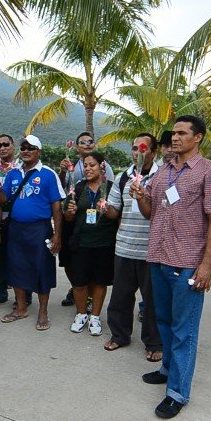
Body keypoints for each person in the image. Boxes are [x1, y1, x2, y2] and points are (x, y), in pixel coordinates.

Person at [132, 115, 211, 419]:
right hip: (158, 258)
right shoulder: (162, 172)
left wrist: (207, 265)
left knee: (183, 330)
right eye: (173, 133)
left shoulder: (210, 173)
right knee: (162, 320)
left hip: (188, 263)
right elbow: (151, 213)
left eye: (182, 133)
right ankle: (166, 369)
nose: (175, 138)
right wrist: (140, 198)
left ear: (198, 137)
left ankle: (178, 392)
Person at [99, 133, 163, 362]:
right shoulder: (122, 178)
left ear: (154, 153)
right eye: (135, 148)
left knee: (153, 300)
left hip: (152, 249)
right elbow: (115, 209)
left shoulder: (163, 177)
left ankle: (154, 342)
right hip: (125, 246)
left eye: (143, 148)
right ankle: (119, 335)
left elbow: (164, 211)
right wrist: (106, 209)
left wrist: (144, 197)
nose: (138, 152)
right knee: (121, 297)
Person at [0, 135, 64, 330]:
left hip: (40, 229)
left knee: (42, 268)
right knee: (16, 267)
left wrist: (57, 234)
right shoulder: (12, 174)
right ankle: (21, 308)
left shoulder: (48, 174)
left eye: (30, 147)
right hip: (17, 228)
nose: (25, 151)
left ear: (38, 151)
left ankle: (43, 311)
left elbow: (56, 206)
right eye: (23, 147)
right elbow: (2, 201)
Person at [58, 132, 115, 308]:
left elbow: (111, 197)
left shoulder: (107, 170)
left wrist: (106, 208)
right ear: (76, 147)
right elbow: (63, 188)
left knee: (98, 272)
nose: (87, 144)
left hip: (100, 229)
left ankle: (90, 299)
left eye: (90, 141)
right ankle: (77, 291)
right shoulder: (70, 166)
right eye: (83, 142)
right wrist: (62, 171)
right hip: (76, 222)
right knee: (70, 260)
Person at [64, 151, 117, 336]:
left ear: (102, 167)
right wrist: (70, 211)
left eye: (92, 165)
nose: (87, 169)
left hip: (104, 242)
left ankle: (95, 316)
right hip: (82, 242)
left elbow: (115, 215)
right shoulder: (78, 188)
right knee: (79, 283)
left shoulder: (111, 188)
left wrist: (107, 209)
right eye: (85, 165)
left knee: (100, 282)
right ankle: (81, 314)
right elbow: (68, 218)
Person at [0, 134, 32, 309]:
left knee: (21, 258)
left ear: (13, 146)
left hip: (18, 220)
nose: (2, 147)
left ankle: (25, 295)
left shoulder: (23, 167)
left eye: (6, 144)